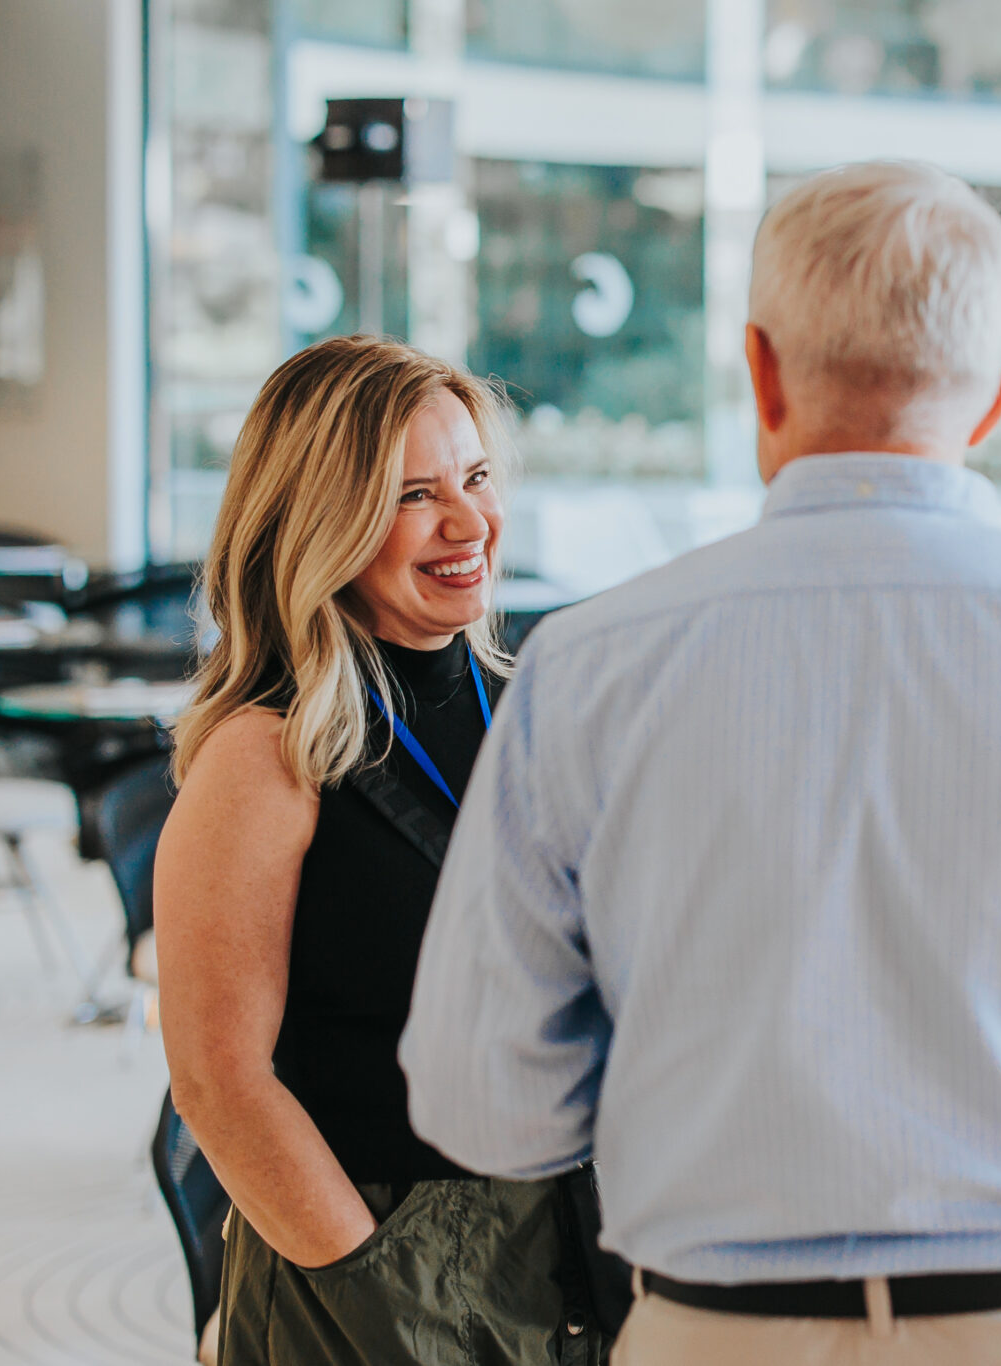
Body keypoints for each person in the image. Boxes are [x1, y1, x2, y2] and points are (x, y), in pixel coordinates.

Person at [399, 160, 1001, 1366]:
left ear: (759, 370)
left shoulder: (585, 668)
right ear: (992, 393)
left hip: (716, 1333)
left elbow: (486, 1101)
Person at [154, 336, 606, 1366]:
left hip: (562, 1231)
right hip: (377, 1238)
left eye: (476, 477)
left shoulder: (525, 703)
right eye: (412, 495)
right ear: (320, 518)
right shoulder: (266, 750)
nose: (466, 523)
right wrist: (366, 1273)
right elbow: (217, 1082)